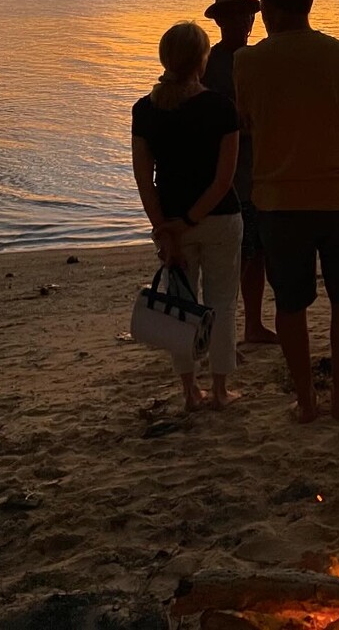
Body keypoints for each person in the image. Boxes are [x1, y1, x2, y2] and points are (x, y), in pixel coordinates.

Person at [233, 0, 339, 423]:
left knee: (291, 304)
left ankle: (306, 400)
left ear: (272, 7)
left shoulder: (247, 63)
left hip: (279, 203)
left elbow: (248, 125)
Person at [131, 21, 242, 410]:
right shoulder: (221, 108)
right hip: (218, 218)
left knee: (180, 305)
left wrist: (165, 228)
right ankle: (221, 389)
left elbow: (144, 179)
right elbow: (224, 178)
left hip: (174, 220)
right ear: (202, 60)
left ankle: (190, 391)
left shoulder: (145, 110)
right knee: (222, 301)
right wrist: (191, 220)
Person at [202, 0, 278, 346]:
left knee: (258, 253)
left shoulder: (262, 58)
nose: (241, 22)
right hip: (227, 177)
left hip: (262, 173)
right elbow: (209, 124)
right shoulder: (210, 64)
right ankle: (223, 333)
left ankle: (252, 324)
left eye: (246, 16)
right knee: (233, 259)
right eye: (233, 16)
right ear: (219, 22)